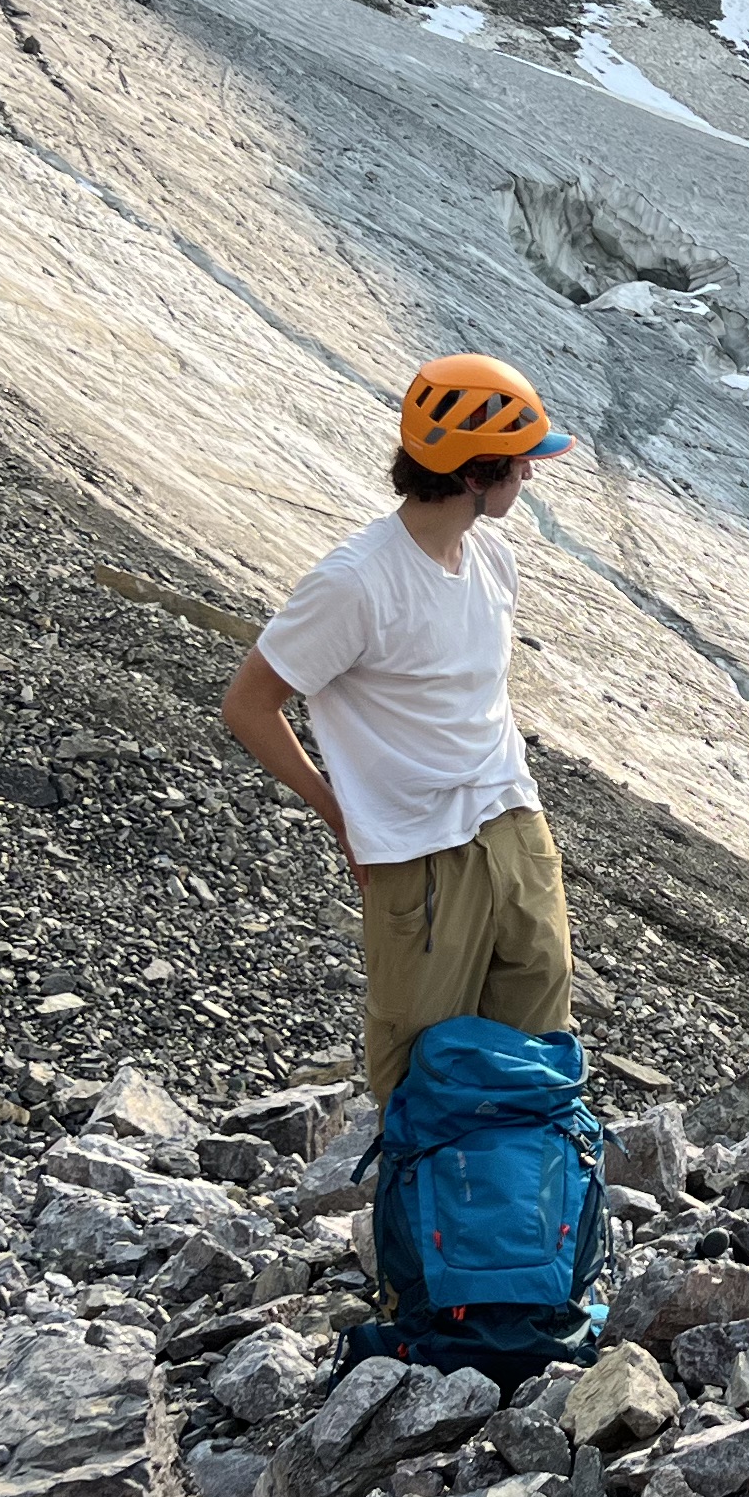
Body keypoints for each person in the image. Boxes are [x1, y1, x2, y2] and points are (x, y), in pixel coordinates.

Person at [222, 354, 578, 1106]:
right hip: (418, 854)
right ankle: (423, 1223)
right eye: (520, 465)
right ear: (478, 475)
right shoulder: (356, 581)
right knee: (422, 1077)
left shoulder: (492, 558)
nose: (531, 478)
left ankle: (518, 1219)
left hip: (514, 827)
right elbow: (249, 705)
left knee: (537, 1061)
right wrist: (341, 817)